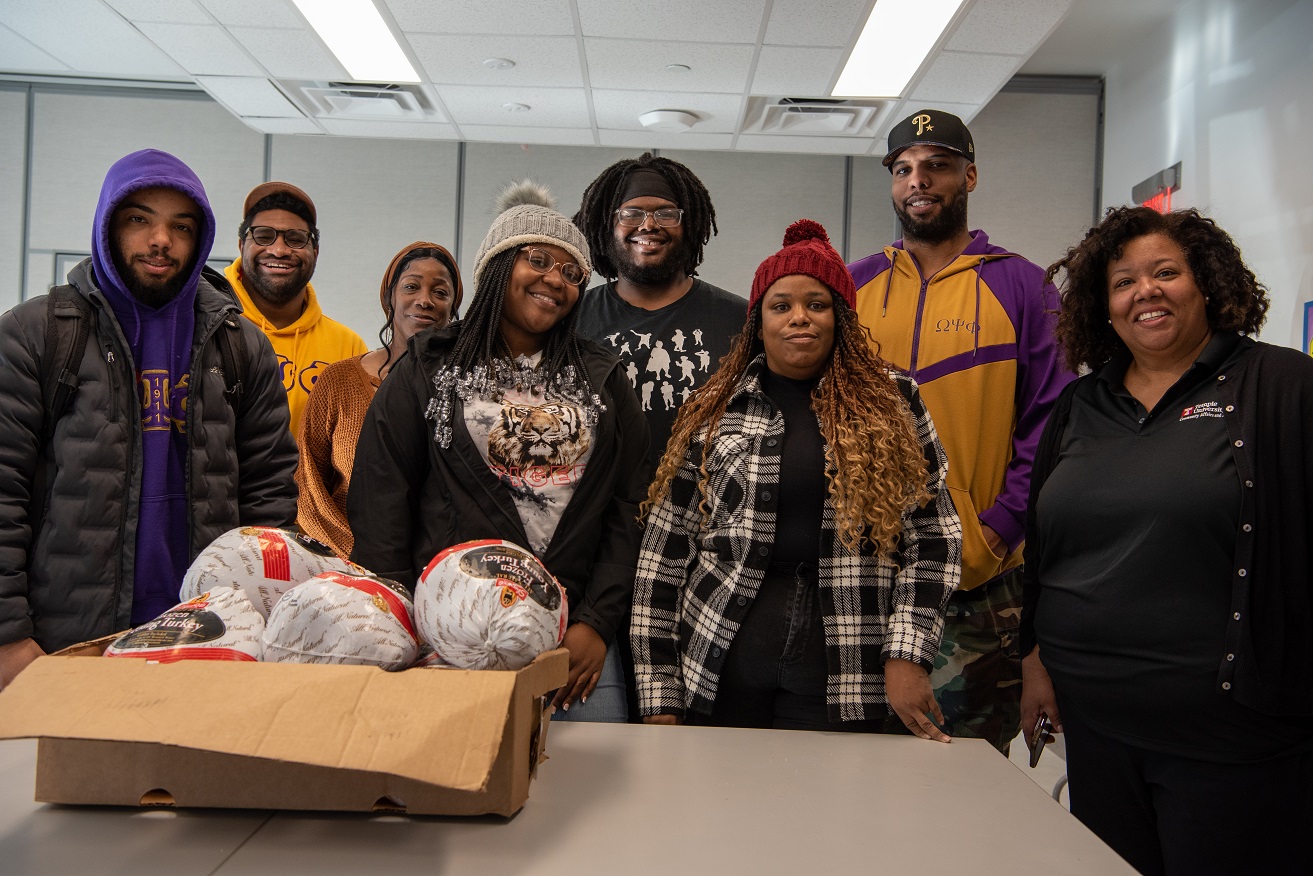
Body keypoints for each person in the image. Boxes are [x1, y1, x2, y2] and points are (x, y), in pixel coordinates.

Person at [1020, 206, 1313, 875]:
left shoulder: (1280, 386)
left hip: (1229, 734)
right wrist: (1033, 660)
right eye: (1122, 282)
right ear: (1105, 305)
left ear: (1205, 282)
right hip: (1094, 724)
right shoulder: (1080, 404)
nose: (1143, 291)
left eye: (1164, 273)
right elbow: (1045, 544)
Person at [633, 219, 961, 735]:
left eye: (817, 304)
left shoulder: (894, 400)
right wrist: (658, 691)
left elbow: (934, 535)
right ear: (757, 322)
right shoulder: (714, 408)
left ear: (842, 320)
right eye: (780, 305)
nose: (799, 318)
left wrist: (908, 653)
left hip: (849, 662)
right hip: (723, 658)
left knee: (834, 810)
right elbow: (664, 554)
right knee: (720, 806)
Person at [348, 181, 648, 721]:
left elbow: (629, 507)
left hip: (571, 639)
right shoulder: (429, 367)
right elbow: (381, 496)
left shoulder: (602, 377)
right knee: (456, 787)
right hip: (450, 632)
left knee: (592, 789)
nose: (555, 279)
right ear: (498, 265)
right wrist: (398, 617)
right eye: (538, 259)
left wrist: (597, 622)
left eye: (572, 272)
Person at [0, 149, 298, 687]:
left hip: (210, 636)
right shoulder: (37, 334)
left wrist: (264, 618)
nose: (160, 240)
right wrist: (6, 634)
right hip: (66, 642)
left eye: (180, 226)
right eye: (139, 219)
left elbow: (269, 499)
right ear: (108, 224)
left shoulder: (241, 347)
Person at [848, 108, 1073, 752]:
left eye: (937, 166)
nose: (918, 181)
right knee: (851, 774)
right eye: (903, 169)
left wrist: (998, 529)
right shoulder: (853, 287)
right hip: (865, 573)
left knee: (964, 774)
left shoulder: (1025, 287)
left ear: (969, 175)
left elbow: (1051, 429)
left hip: (981, 583)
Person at [572, 153, 745, 470]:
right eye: (631, 214)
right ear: (607, 225)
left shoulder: (740, 319)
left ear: (688, 225)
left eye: (666, 214)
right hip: (596, 513)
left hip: (702, 513)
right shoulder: (572, 318)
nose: (648, 225)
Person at [296, 242, 463, 558]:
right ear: (389, 297)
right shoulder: (338, 381)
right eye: (411, 287)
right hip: (342, 567)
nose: (425, 300)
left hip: (438, 572)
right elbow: (309, 483)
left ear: (453, 309)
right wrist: (355, 557)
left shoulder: (466, 391)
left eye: (440, 293)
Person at [225, 181, 367, 439]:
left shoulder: (348, 349)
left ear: (315, 251)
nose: (279, 250)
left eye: (295, 239)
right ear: (241, 245)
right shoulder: (207, 327)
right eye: (264, 235)